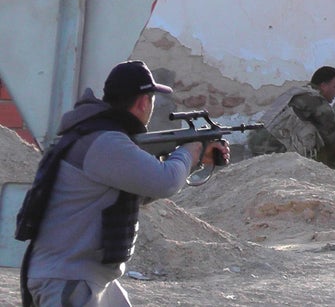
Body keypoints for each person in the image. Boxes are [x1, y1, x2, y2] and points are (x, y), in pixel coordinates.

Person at [19, 60, 229, 306]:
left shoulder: (96, 135)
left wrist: (194, 160)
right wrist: (188, 152)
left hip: (85, 278)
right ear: (143, 102)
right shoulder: (104, 142)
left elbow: (141, 191)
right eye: (151, 100)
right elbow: (164, 182)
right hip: (68, 280)